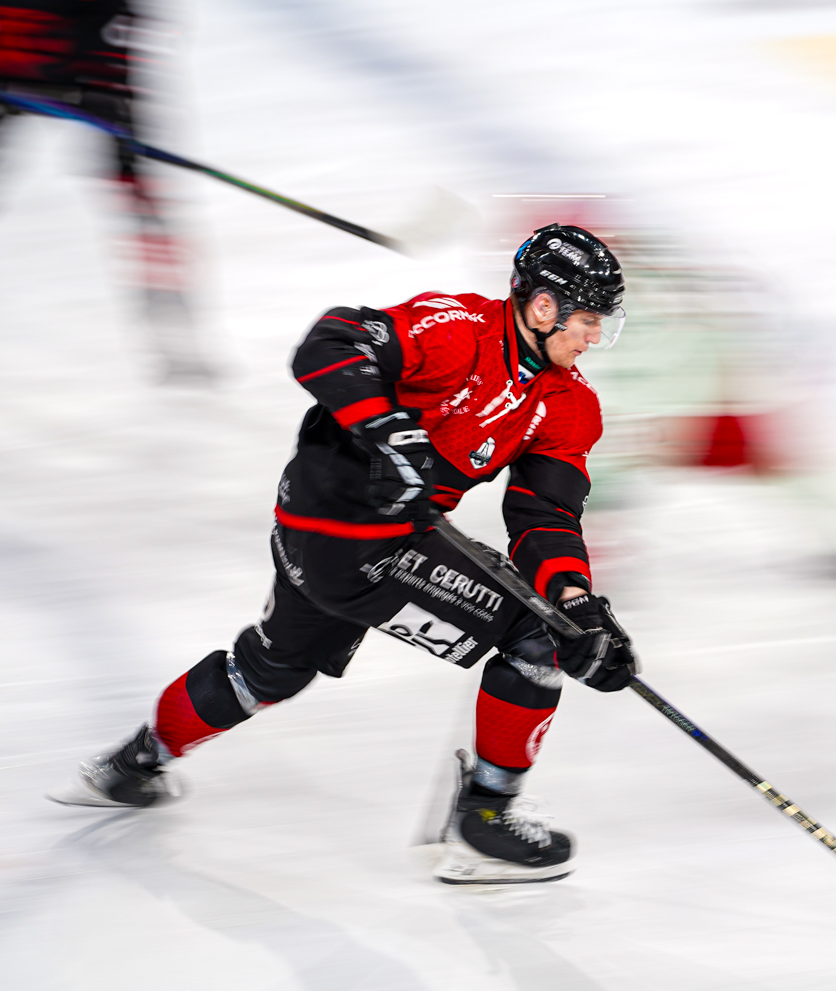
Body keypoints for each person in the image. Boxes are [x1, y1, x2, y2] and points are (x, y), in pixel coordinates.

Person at [47, 223, 637, 886]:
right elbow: (328, 344)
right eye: (587, 320)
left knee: (271, 669)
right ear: (543, 306)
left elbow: (544, 515)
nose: (593, 338)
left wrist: (578, 603)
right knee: (536, 644)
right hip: (351, 537)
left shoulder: (569, 405)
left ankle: (132, 765)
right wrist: (390, 434)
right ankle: (484, 824)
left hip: (329, 537)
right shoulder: (455, 328)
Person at [0, 0, 210, 380]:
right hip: (35, 74)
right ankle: (174, 330)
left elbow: (120, 32)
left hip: (89, 79)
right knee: (140, 198)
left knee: (140, 198)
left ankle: (174, 328)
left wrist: (119, 105)